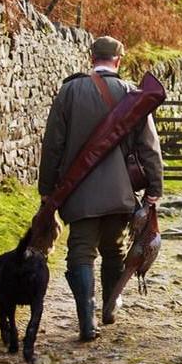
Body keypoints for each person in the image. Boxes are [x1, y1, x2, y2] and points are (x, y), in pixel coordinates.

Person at [38, 36, 163, 341]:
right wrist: (154, 189)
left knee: (80, 253)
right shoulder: (132, 94)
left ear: (91, 56)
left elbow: (53, 144)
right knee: (114, 249)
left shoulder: (69, 91)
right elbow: (150, 147)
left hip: (78, 192)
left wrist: (47, 189)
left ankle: (86, 322)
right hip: (120, 193)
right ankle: (109, 308)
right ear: (119, 60)